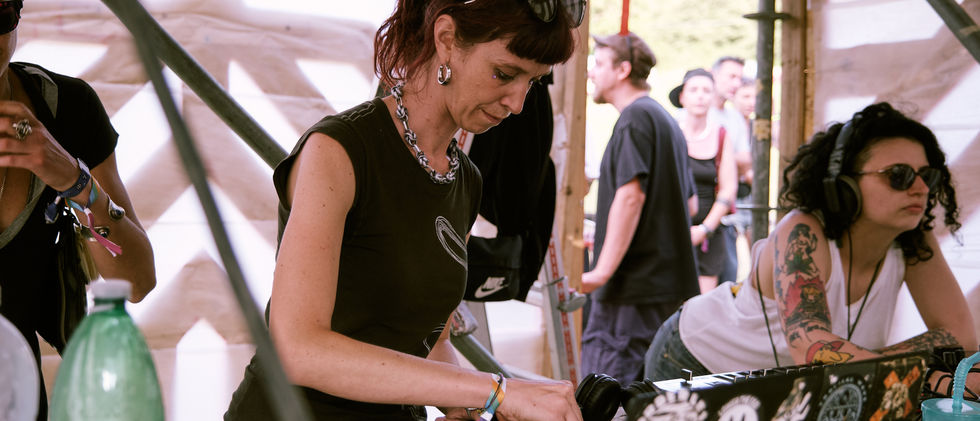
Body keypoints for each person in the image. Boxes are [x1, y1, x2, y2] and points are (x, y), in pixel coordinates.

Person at [223, 1, 584, 420]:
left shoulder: (464, 179)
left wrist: (461, 408)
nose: (518, 103)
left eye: (532, 82)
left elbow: (430, 339)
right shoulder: (339, 151)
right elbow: (298, 349)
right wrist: (495, 390)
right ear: (447, 40)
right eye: (504, 74)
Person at [644, 102, 979, 395]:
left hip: (782, 378)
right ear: (844, 182)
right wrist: (924, 375)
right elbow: (813, 348)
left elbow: (960, 338)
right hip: (697, 359)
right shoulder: (803, 232)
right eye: (898, 175)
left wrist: (887, 367)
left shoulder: (912, 238)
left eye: (927, 176)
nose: (920, 188)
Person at [0, 1, 157, 419]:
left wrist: (77, 182)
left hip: (16, 398)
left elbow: (137, 280)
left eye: (0, 10)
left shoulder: (65, 107)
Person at [580, 32, 699, 383]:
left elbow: (631, 196)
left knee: (605, 398)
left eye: (598, 64)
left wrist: (601, 272)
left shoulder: (634, 119)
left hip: (629, 293)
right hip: (661, 292)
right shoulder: (665, 120)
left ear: (623, 70)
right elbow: (690, 204)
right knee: (647, 397)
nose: (591, 73)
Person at [668, 68, 737, 293]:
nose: (700, 96)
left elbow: (728, 189)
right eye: (694, 90)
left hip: (709, 234)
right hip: (672, 231)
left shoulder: (721, 135)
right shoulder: (671, 133)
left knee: (701, 304)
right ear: (682, 97)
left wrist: (704, 229)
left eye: (706, 91)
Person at [710, 56, 748, 286]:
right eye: (731, 76)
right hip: (699, 211)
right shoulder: (694, 112)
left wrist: (714, 157)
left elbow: (746, 160)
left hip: (727, 217)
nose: (736, 83)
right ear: (714, 75)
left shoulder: (734, 118)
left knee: (728, 281)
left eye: (740, 78)